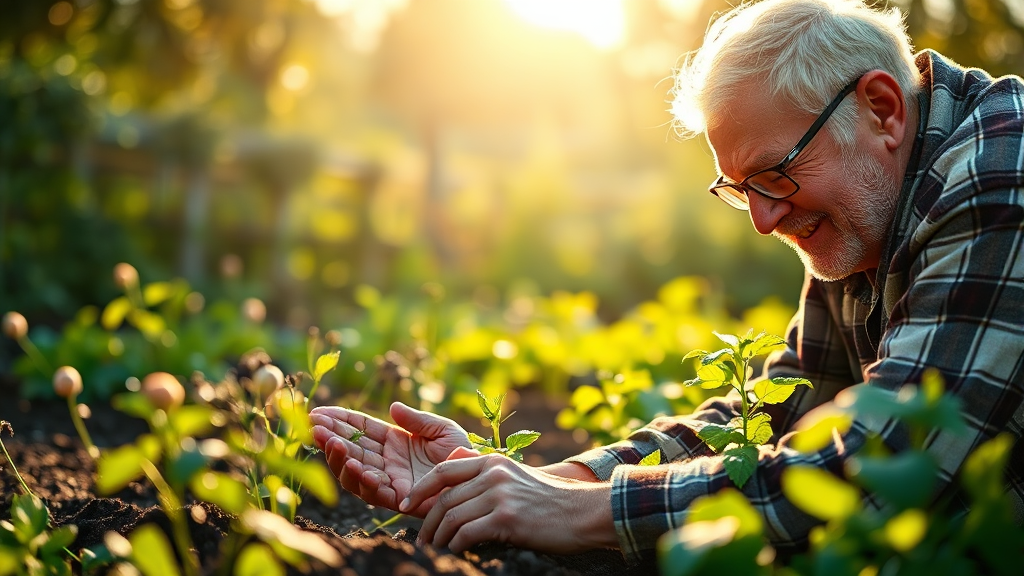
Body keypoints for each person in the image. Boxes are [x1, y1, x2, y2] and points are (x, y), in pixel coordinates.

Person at [310, 0, 1024, 565]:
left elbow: (876, 475)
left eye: (775, 175)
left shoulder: (1000, 179)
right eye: (743, 189)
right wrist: (538, 484)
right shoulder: (872, 204)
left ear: (882, 110)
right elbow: (778, 410)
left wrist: (581, 516)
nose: (765, 221)